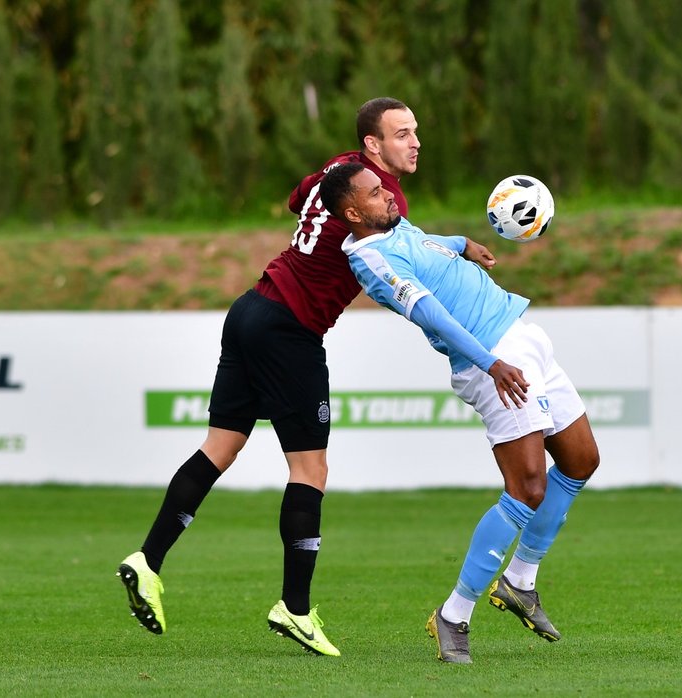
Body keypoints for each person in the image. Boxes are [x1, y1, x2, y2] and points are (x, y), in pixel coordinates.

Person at [116, 97, 420, 657]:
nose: (415, 143)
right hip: (290, 330)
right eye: (402, 134)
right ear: (373, 147)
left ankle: (148, 560)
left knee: (220, 447)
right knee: (310, 467)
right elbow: (411, 253)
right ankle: (295, 609)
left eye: (415, 133)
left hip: (252, 308)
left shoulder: (336, 169)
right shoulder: (383, 198)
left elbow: (297, 198)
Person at [320, 161, 601, 664]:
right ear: (350, 211)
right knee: (528, 488)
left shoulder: (395, 227)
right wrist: (491, 363)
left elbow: (430, 244)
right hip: (491, 357)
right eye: (374, 191)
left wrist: (461, 244)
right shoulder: (372, 259)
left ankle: (520, 580)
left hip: (522, 338)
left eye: (383, 187)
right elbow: (432, 313)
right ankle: (454, 615)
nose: (388, 194)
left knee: (580, 460)